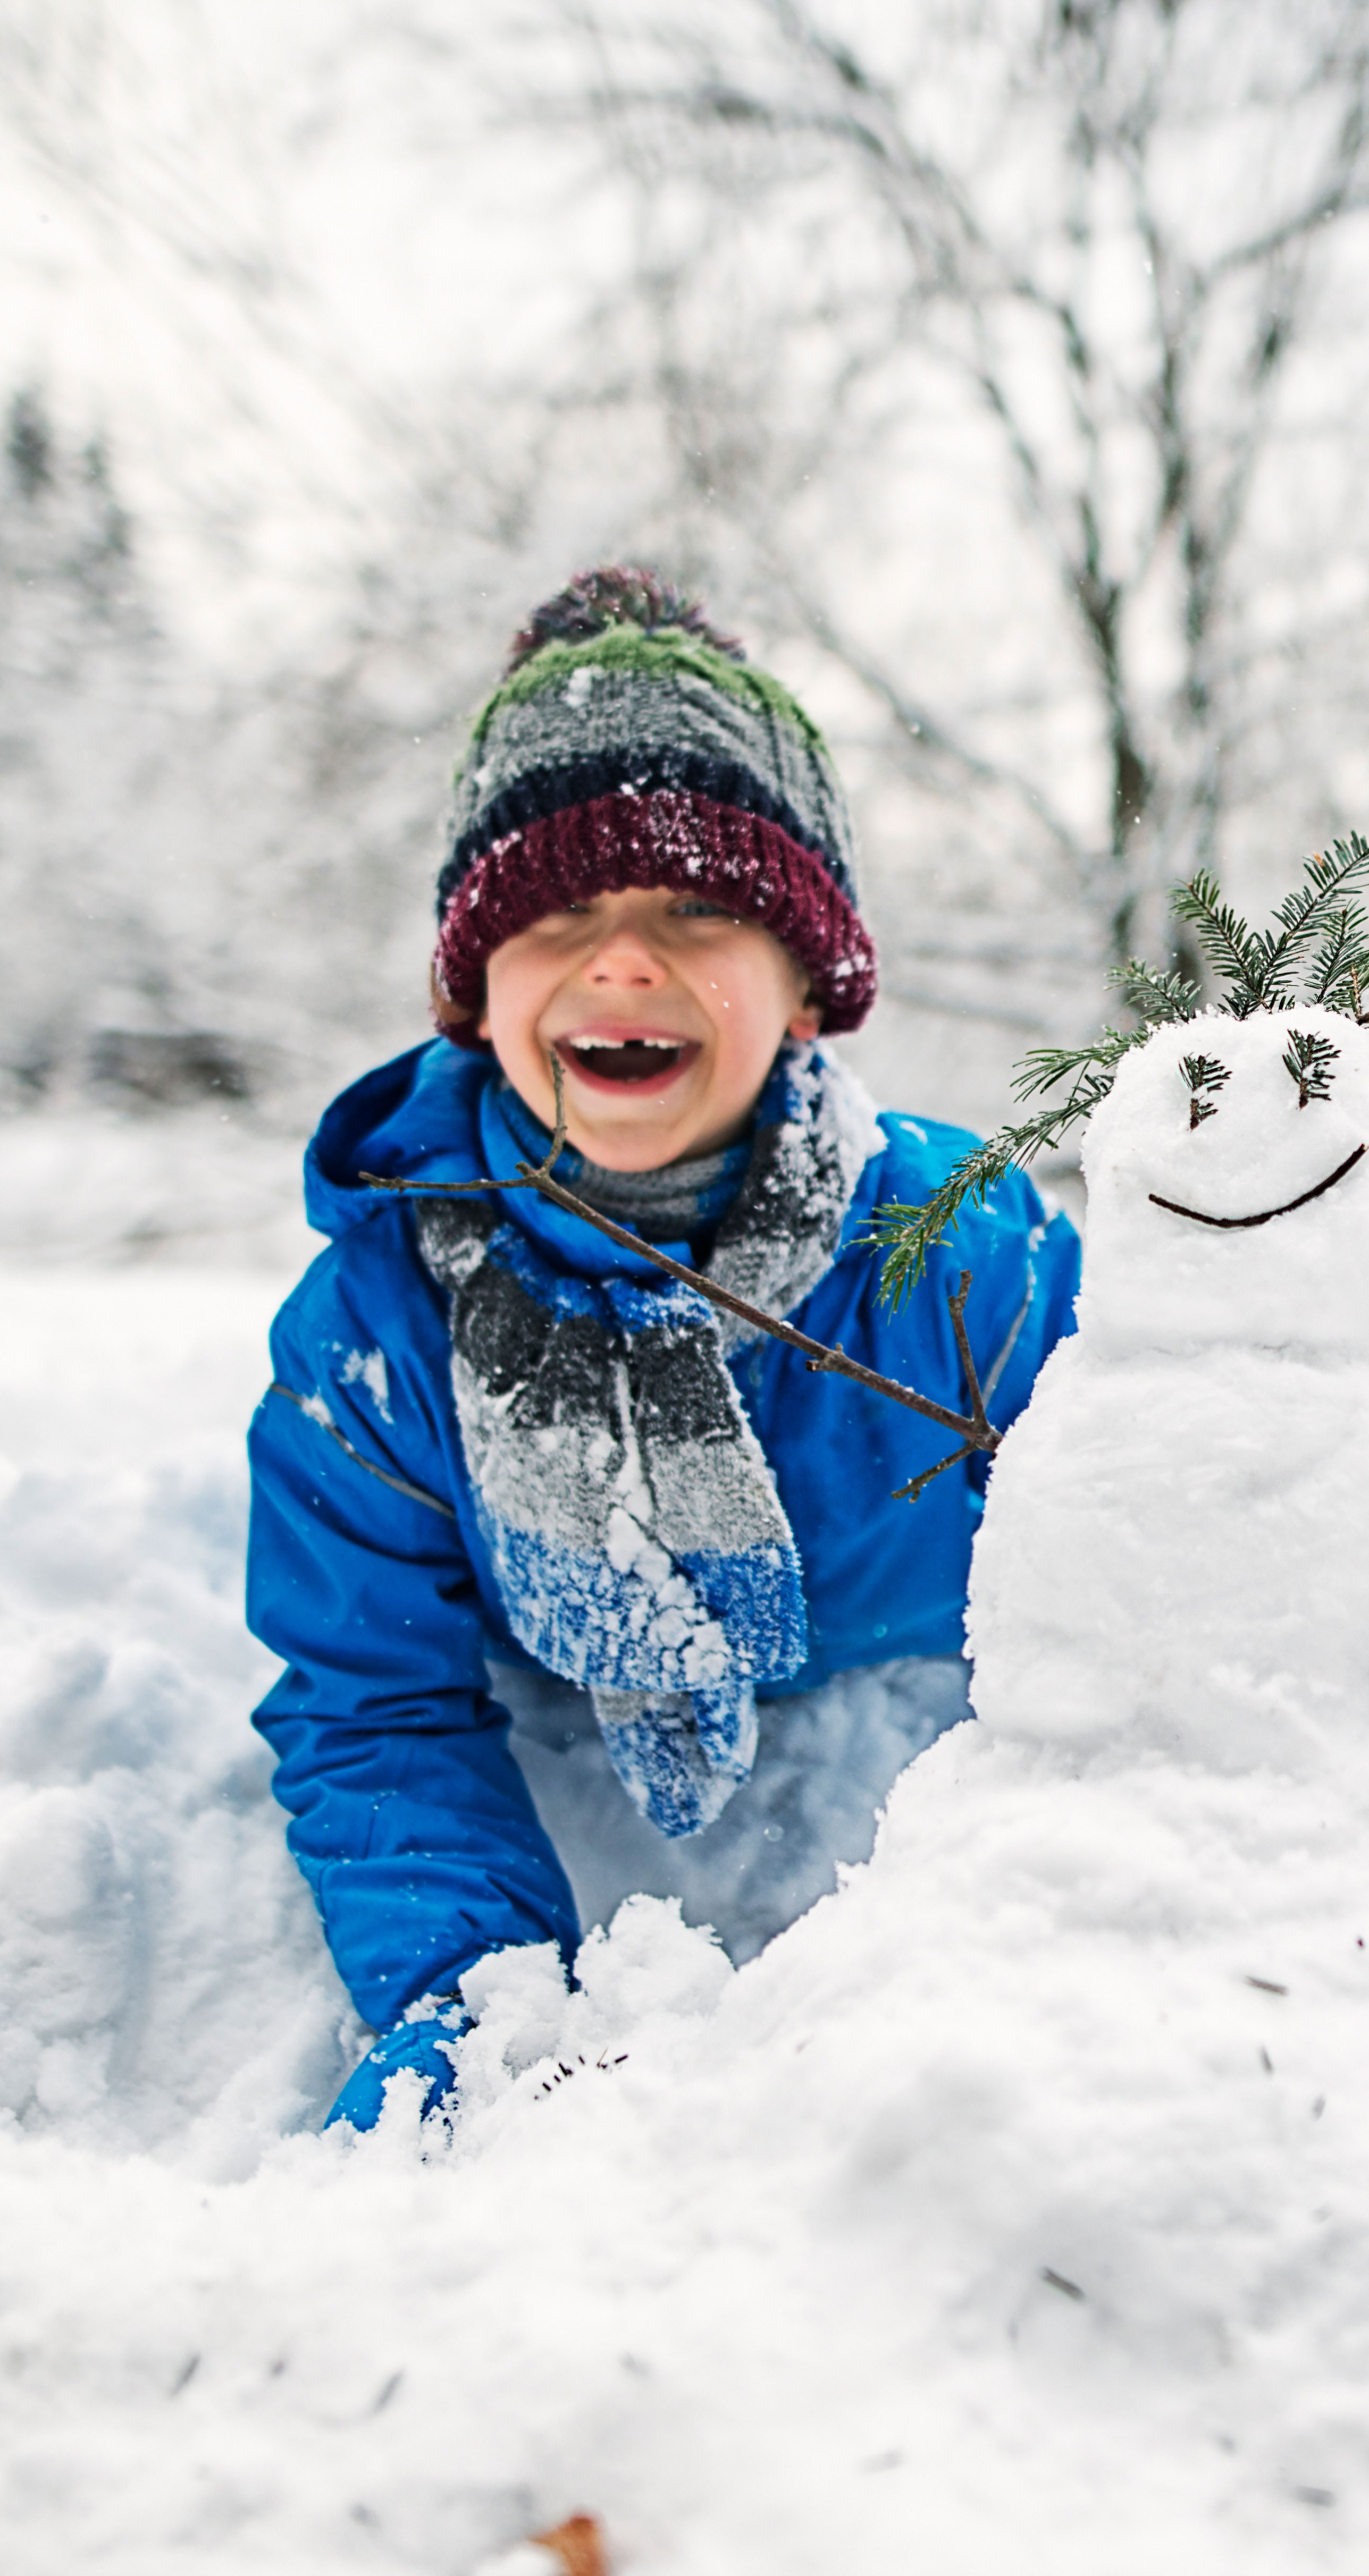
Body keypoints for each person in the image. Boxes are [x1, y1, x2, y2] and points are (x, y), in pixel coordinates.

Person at [246, 567, 1079, 2132]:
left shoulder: (963, 1255)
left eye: (701, 911)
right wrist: (469, 1993)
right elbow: (373, 1705)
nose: (624, 966)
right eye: (559, 917)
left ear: (809, 985)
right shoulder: (376, 1333)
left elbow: (1145, 1558)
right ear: (474, 995)